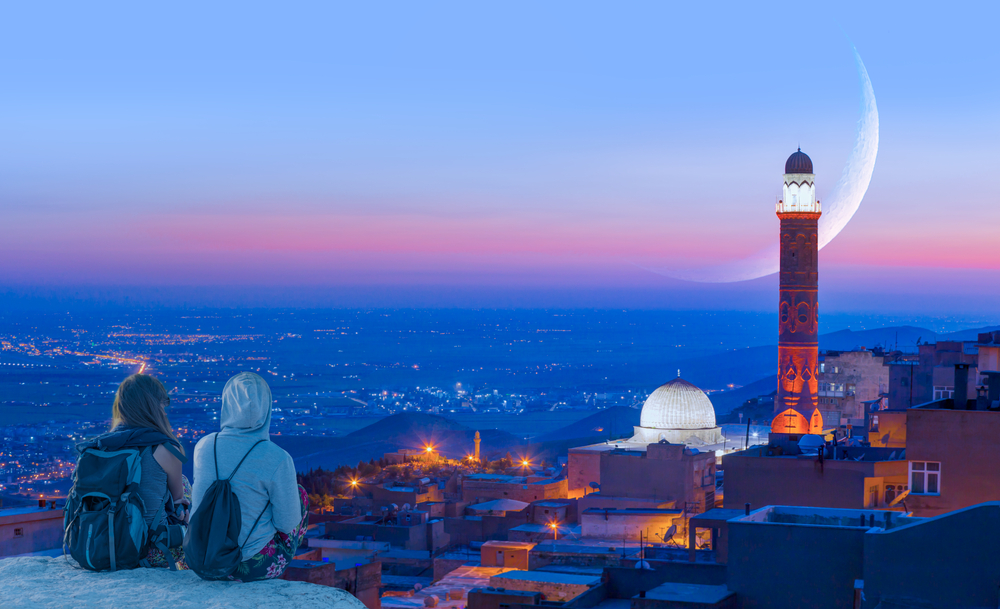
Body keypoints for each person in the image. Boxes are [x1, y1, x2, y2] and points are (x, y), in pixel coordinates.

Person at [190, 372, 308, 582]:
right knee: (299, 495)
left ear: (227, 404)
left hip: (201, 557)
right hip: (252, 565)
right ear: (267, 407)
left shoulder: (204, 446)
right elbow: (286, 523)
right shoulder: (278, 458)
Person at [83, 373, 191, 568]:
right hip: (151, 550)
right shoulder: (166, 449)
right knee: (182, 483)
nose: (164, 412)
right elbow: (178, 505)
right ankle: (186, 566)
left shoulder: (99, 447)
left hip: (99, 546)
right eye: (162, 406)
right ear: (153, 407)